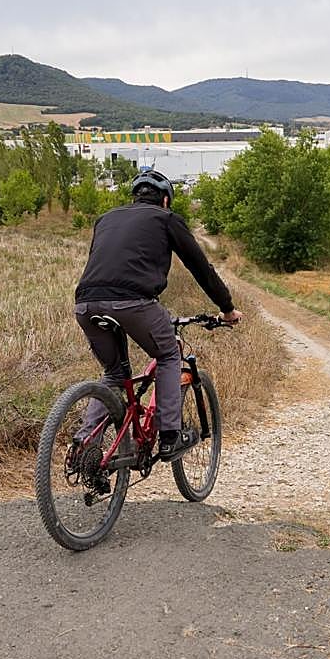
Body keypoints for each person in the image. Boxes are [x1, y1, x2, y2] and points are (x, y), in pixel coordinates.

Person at [73, 166, 242, 462]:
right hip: (134, 302)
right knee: (167, 355)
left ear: (135, 197)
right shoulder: (166, 219)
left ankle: (85, 446)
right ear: (165, 200)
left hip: (86, 304)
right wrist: (226, 308)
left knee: (113, 373)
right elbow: (201, 268)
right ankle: (169, 437)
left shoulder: (106, 219)